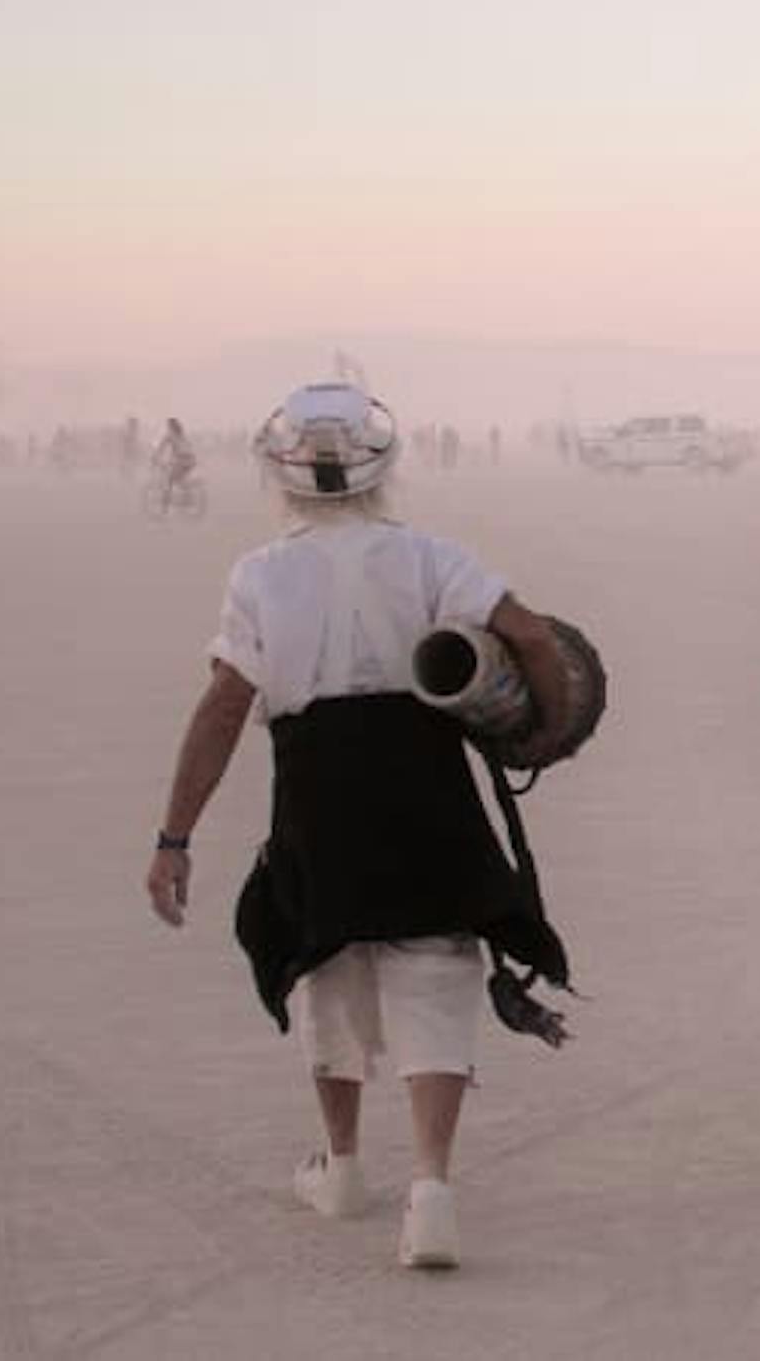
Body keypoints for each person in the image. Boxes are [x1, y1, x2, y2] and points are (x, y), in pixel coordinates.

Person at [143, 383, 578, 1269]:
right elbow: (530, 634)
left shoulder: (260, 574)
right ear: (384, 468)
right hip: (423, 773)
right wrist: (553, 722)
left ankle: (341, 1170)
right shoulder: (427, 557)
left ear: (281, 474)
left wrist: (174, 837)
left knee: (326, 962)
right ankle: (431, 1192)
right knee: (435, 968)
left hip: (317, 786)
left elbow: (227, 703)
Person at [153, 417, 197, 485]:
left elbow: (162, 447)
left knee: (170, 479)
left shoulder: (170, 434)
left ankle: (167, 495)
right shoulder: (182, 434)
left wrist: (155, 456)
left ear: (170, 426)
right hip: (191, 459)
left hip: (181, 459)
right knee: (179, 479)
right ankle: (187, 490)